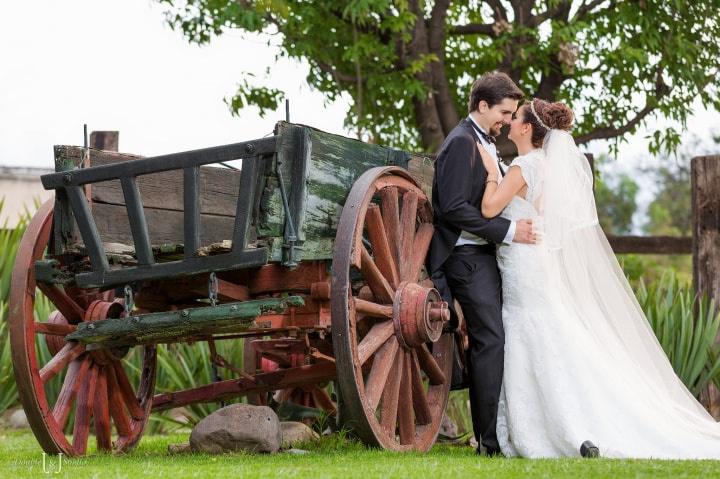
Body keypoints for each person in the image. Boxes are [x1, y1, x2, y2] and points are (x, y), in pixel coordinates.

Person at [477, 98, 720, 458]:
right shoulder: (547, 166)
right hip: (537, 261)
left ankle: (551, 426)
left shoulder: (520, 168)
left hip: (524, 265)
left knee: (528, 330)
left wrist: (491, 175)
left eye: (516, 117)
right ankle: (568, 419)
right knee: (546, 332)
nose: (510, 121)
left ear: (527, 128)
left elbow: (488, 209)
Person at [428, 71, 537, 457]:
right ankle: (489, 443)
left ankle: (502, 434)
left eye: (511, 115)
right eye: (504, 113)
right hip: (463, 257)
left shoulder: (484, 142)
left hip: (484, 255)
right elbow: (455, 209)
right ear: (483, 105)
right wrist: (507, 232)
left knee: (501, 336)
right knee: (490, 339)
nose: (507, 121)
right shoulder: (460, 143)